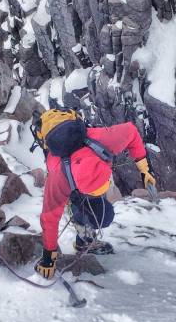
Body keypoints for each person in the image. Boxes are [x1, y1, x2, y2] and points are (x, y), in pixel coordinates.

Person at [34, 113, 156, 280]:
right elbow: (49, 218)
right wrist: (49, 256)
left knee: (104, 215)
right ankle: (82, 237)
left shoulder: (104, 140)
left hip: (86, 166)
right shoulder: (58, 177)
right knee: (83, 206)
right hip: (70, 175)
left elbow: (131, 132)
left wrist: (145, 170)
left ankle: (85, 231)